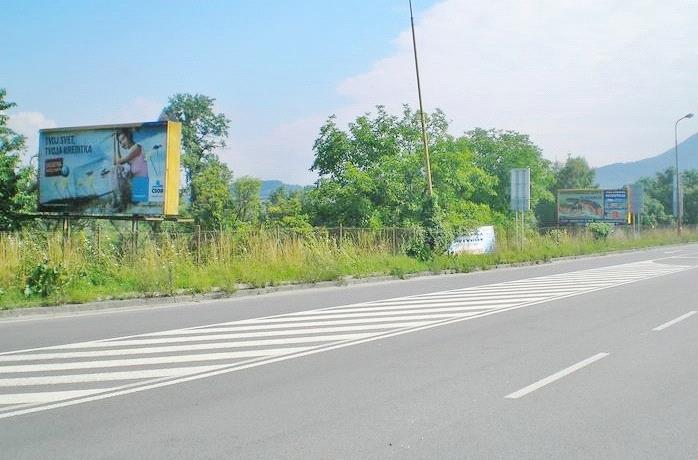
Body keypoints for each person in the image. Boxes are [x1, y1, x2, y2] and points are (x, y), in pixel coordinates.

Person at [115, 128, 149, 204]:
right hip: (136, 182)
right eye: (120, 142)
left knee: (138, 208)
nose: (122, 143)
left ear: (129, 136)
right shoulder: (132, 151)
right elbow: (121, 161)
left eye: (123, 139)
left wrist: (116, 145)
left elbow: (121, 161)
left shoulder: (137, 148)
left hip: (141, 183)